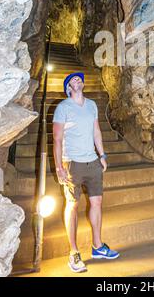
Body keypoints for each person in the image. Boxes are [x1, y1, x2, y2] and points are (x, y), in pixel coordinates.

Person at [52, 71, 119, 273]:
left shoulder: (91, 105)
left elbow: (96, 131)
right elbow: (57, 139)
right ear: (68, 88)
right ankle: (73, 252)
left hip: (92, 161)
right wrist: (59, 167)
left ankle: (97, 246)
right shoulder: (62, 107)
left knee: (97, 202)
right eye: (73, 79)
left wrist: (103, 155)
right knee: (72, 205)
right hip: (72, 163)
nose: (77, 80)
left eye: (79, 78)